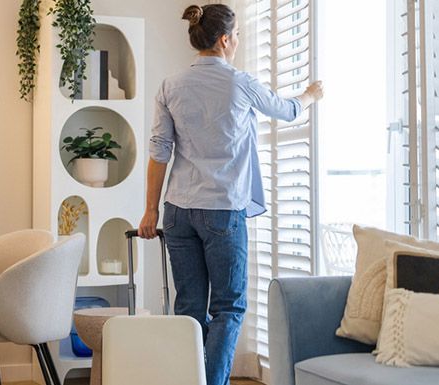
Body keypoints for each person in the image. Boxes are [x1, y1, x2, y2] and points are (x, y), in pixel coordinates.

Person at [137, 4, 323, 385]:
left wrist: (149, 211)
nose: (238, 41)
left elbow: (159, 152)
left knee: (188, 308)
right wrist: (310, 94)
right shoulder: (240, 83)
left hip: (177, 212)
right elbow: (287, 110)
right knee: (228, 307)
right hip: (222, 211)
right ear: (224, 40)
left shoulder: (170, 86)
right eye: (236, 35)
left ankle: (189, 379)